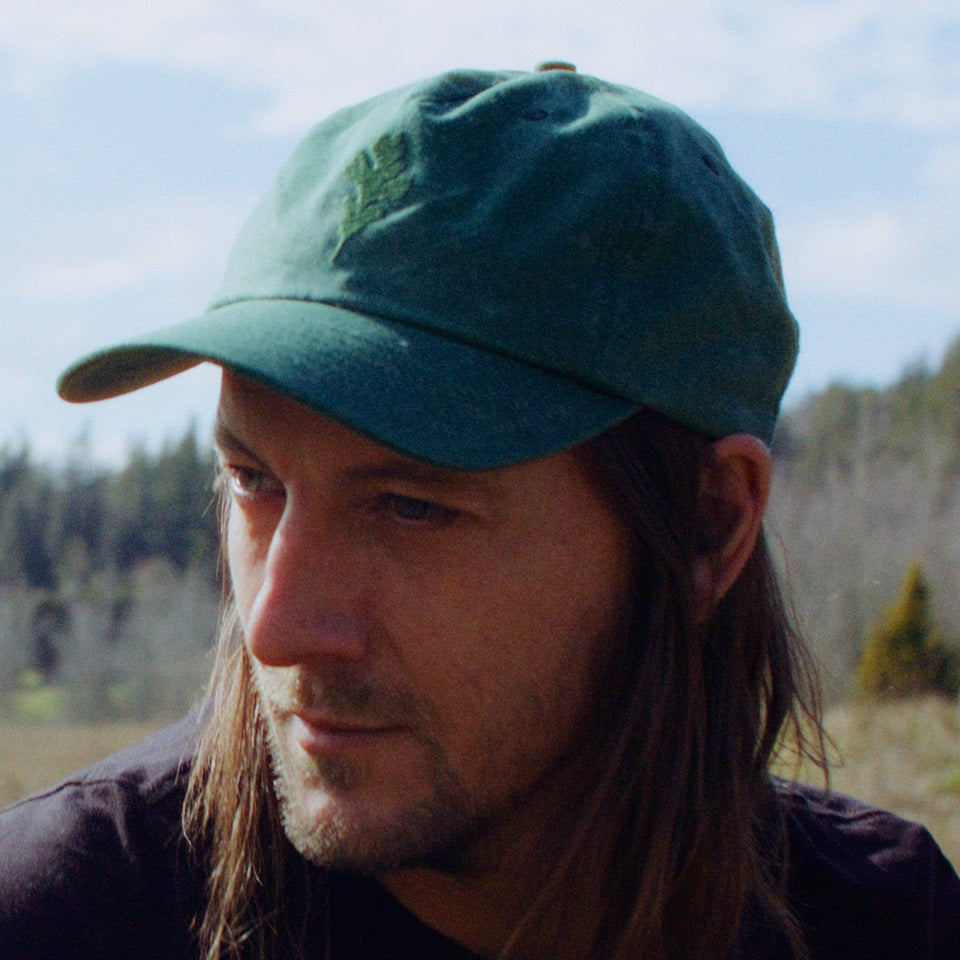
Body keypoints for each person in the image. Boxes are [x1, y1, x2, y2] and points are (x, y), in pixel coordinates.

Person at [1, 63, 957, 960]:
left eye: (411, 506)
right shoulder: (64, 918)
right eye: (255, 481)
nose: (275, 624)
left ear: (708, 527)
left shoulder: (886, 924)